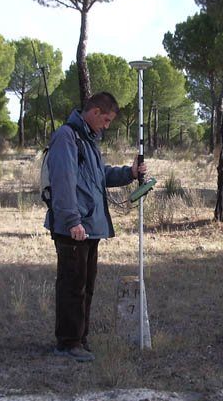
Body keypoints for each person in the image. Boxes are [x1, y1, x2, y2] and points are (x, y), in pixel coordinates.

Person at [44, 92, 146, 362]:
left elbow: (100, 175)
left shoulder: (87, 140)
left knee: (85, 286)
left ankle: (80, 339)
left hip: (89, 227)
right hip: (73, 229)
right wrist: (72, 221)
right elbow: (63, 183)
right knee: (72, 286)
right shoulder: (67, 137)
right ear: (95, 112)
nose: (107, 125)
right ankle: (67, 343)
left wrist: (130, 173)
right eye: (107, 119)